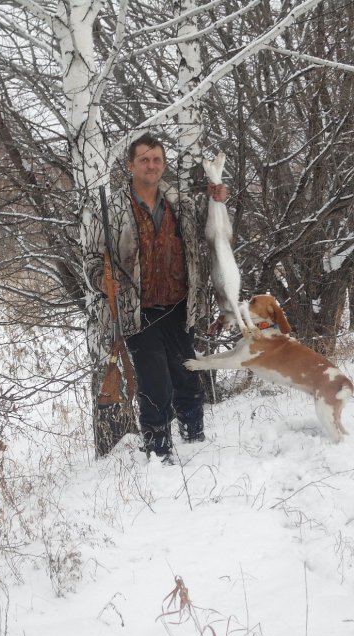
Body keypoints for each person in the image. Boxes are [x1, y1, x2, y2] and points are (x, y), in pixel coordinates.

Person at [88, 132, 228, 462]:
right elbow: (92, 259)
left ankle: (195, 442)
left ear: (164, 165)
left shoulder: (182, 203)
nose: (151, 165)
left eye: (157, 160)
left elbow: (214, 228)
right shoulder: (109, 209)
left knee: (188, 378)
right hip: (138, 311)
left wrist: (217, 199)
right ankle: (158, 452)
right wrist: (103, 281)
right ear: (130, 165)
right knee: (155, 385)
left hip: (180, 307)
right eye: (144, 160)